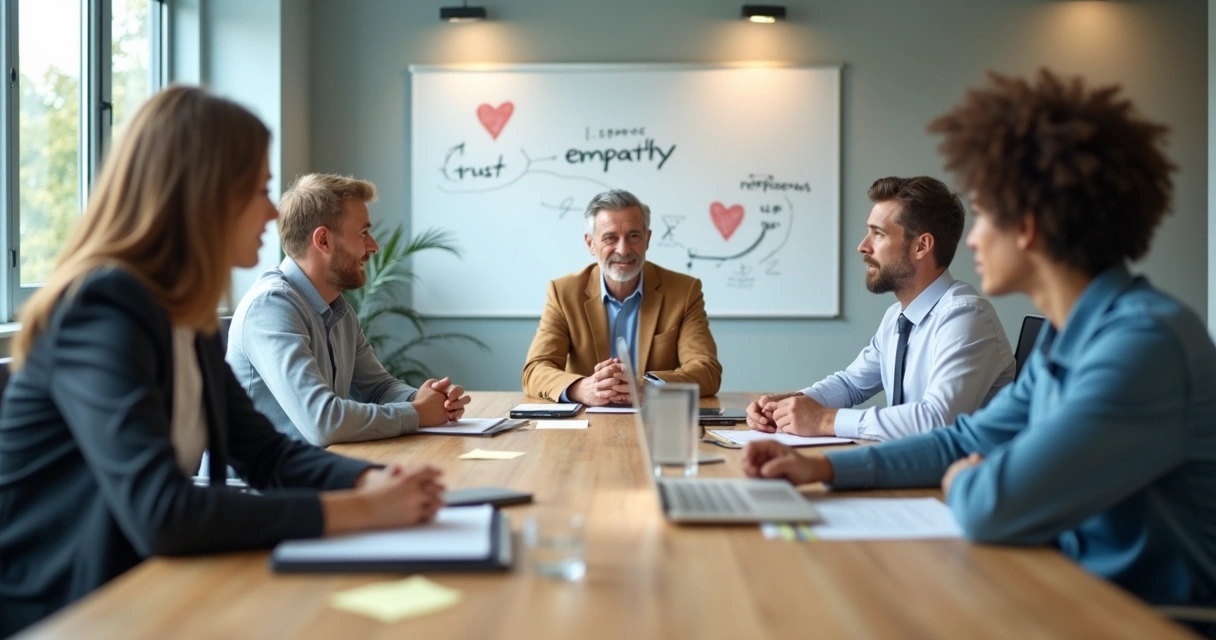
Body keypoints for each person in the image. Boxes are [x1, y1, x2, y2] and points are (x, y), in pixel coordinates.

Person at [743, 69, 1216, 610]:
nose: (974, 239)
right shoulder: (1074, 339)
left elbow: (992, 503)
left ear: (1029, 226)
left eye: (987, 214)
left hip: (1137, 616)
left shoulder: (1141, 346)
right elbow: (961, 440)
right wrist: (821, 468)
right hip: (1062, 585)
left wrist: (967, 480)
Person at [0, 86, 446, 637]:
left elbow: (265, 453)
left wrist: (379, 482)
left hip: (143, 595)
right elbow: (161, 510)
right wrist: (359, 510)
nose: (271, 210)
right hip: (70, 613)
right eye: (258, 189)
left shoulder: (186, 314)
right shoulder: (100, 309)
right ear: (201, 194)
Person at [748, 176, 1015, 441]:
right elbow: (851, 384)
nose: (863, 246)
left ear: (921, 246)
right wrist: (787, 405)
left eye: (878, 233)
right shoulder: (897, 317)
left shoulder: (965, 316)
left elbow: (937, 420)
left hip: (960, 478)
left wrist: (824, 419)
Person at [226, 173, 471, 446]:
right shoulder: (270, 307)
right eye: (363, 233)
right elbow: (323, 422)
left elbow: (378, 388)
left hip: (316, 470)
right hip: (262, 486)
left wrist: (423, 399)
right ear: (324, 241)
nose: (374, 246)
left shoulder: (337, 309)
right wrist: (416, 413)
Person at [521, 189, 722, 405]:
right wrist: (582, 389)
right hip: (584, 425)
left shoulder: (684, 291)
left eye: (633, 236)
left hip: (655, 420)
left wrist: (651, 387)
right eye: (610, 238)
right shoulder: (563, 293)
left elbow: (706, 371)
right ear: (590, 244)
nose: (623, 250)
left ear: (647, 238)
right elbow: (535, 370)